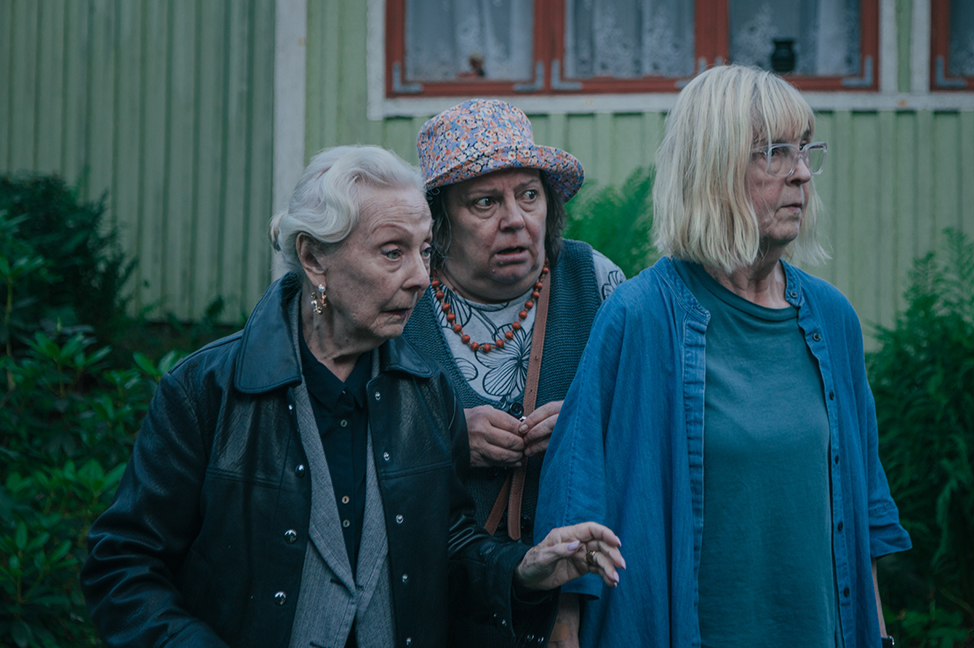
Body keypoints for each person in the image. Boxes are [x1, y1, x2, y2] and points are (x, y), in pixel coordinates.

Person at [80, 145, 625, 648]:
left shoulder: (425, 392)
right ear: (314, 258)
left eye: (424, 251)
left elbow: (447, 550)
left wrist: (523, 570)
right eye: (392, 253)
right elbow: (123, 564)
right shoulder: (208, 391)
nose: (419, 277)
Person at [534, 65, 912, 648]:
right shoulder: (640, 316)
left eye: (805, 149)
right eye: (776, 153)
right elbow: (576, 502)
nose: (802, 172)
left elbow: (861, 512)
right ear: (713, 168)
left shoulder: (832, 319)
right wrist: (565, 629)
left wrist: (878, 636)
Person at [402, 99, 625, 646]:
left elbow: (654, 424)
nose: (515, 220)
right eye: (485, 202)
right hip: (436, 602)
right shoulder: (402, 296)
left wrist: (587, 429)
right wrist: (446, 436)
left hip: (580, 605)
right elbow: (347, 434)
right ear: (438, 221)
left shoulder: (597, 282)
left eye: (529, 195)